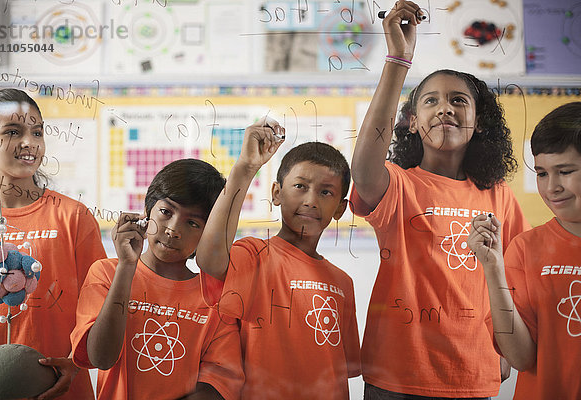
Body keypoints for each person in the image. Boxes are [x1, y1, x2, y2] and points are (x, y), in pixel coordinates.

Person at [349, 1, 530, 398]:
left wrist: (503, 346)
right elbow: (362, 170)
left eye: (458, 101)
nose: (444, 108)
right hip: (394, 375)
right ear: (412, 122)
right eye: (429, 101)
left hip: (471, 375)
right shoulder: (398, 184)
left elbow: (517, 282)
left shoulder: (498, 195)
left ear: (479, 121)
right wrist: (399, 60)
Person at [196, 118, 361, 399]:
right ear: (276, 193)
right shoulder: (253, 255)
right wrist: (245, 168)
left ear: (340, 209)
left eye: (326, 192)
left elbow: (341, 370)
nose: (311, 200)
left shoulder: (342, 283)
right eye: (300, 186)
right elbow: (209, 257)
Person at [70, 159, 244, 400]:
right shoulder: (106, 273)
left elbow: (217, 387)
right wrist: (126, 267)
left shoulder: (216, 299)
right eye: (166, 212)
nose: (173, 229)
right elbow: (101, 358)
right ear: (147, 212)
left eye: (193, 222)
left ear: (207, 233)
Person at [0, 88, 106, 399]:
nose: (30, 143)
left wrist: (76, 363)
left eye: (37, 132)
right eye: (13, 131)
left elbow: (100, 309)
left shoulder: (72, 216)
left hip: (61, 388)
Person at [468, 102, 581, 399]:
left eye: (565, 171)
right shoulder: (526, 248)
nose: (552, 187)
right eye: (542, 173)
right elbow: (520, 358)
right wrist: (493, 269)